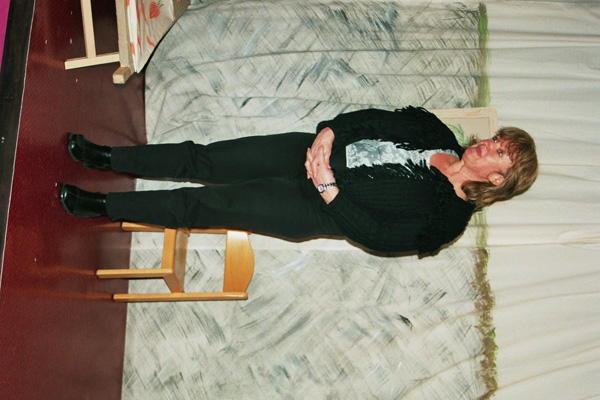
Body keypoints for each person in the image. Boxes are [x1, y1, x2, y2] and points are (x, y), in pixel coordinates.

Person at [60, 106, 538, 255]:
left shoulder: (448, 219)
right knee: (202, 159)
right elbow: (374, 117)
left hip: (310, 207)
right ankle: (108, 157)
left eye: (498, 152)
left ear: (499, 178)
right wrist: (330, 133)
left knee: (200, 207)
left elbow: (379, 237)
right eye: (496, 139)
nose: (487, 144)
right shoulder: (437, 133)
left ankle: (101, 206)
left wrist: (328, 188)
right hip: (304, 150)